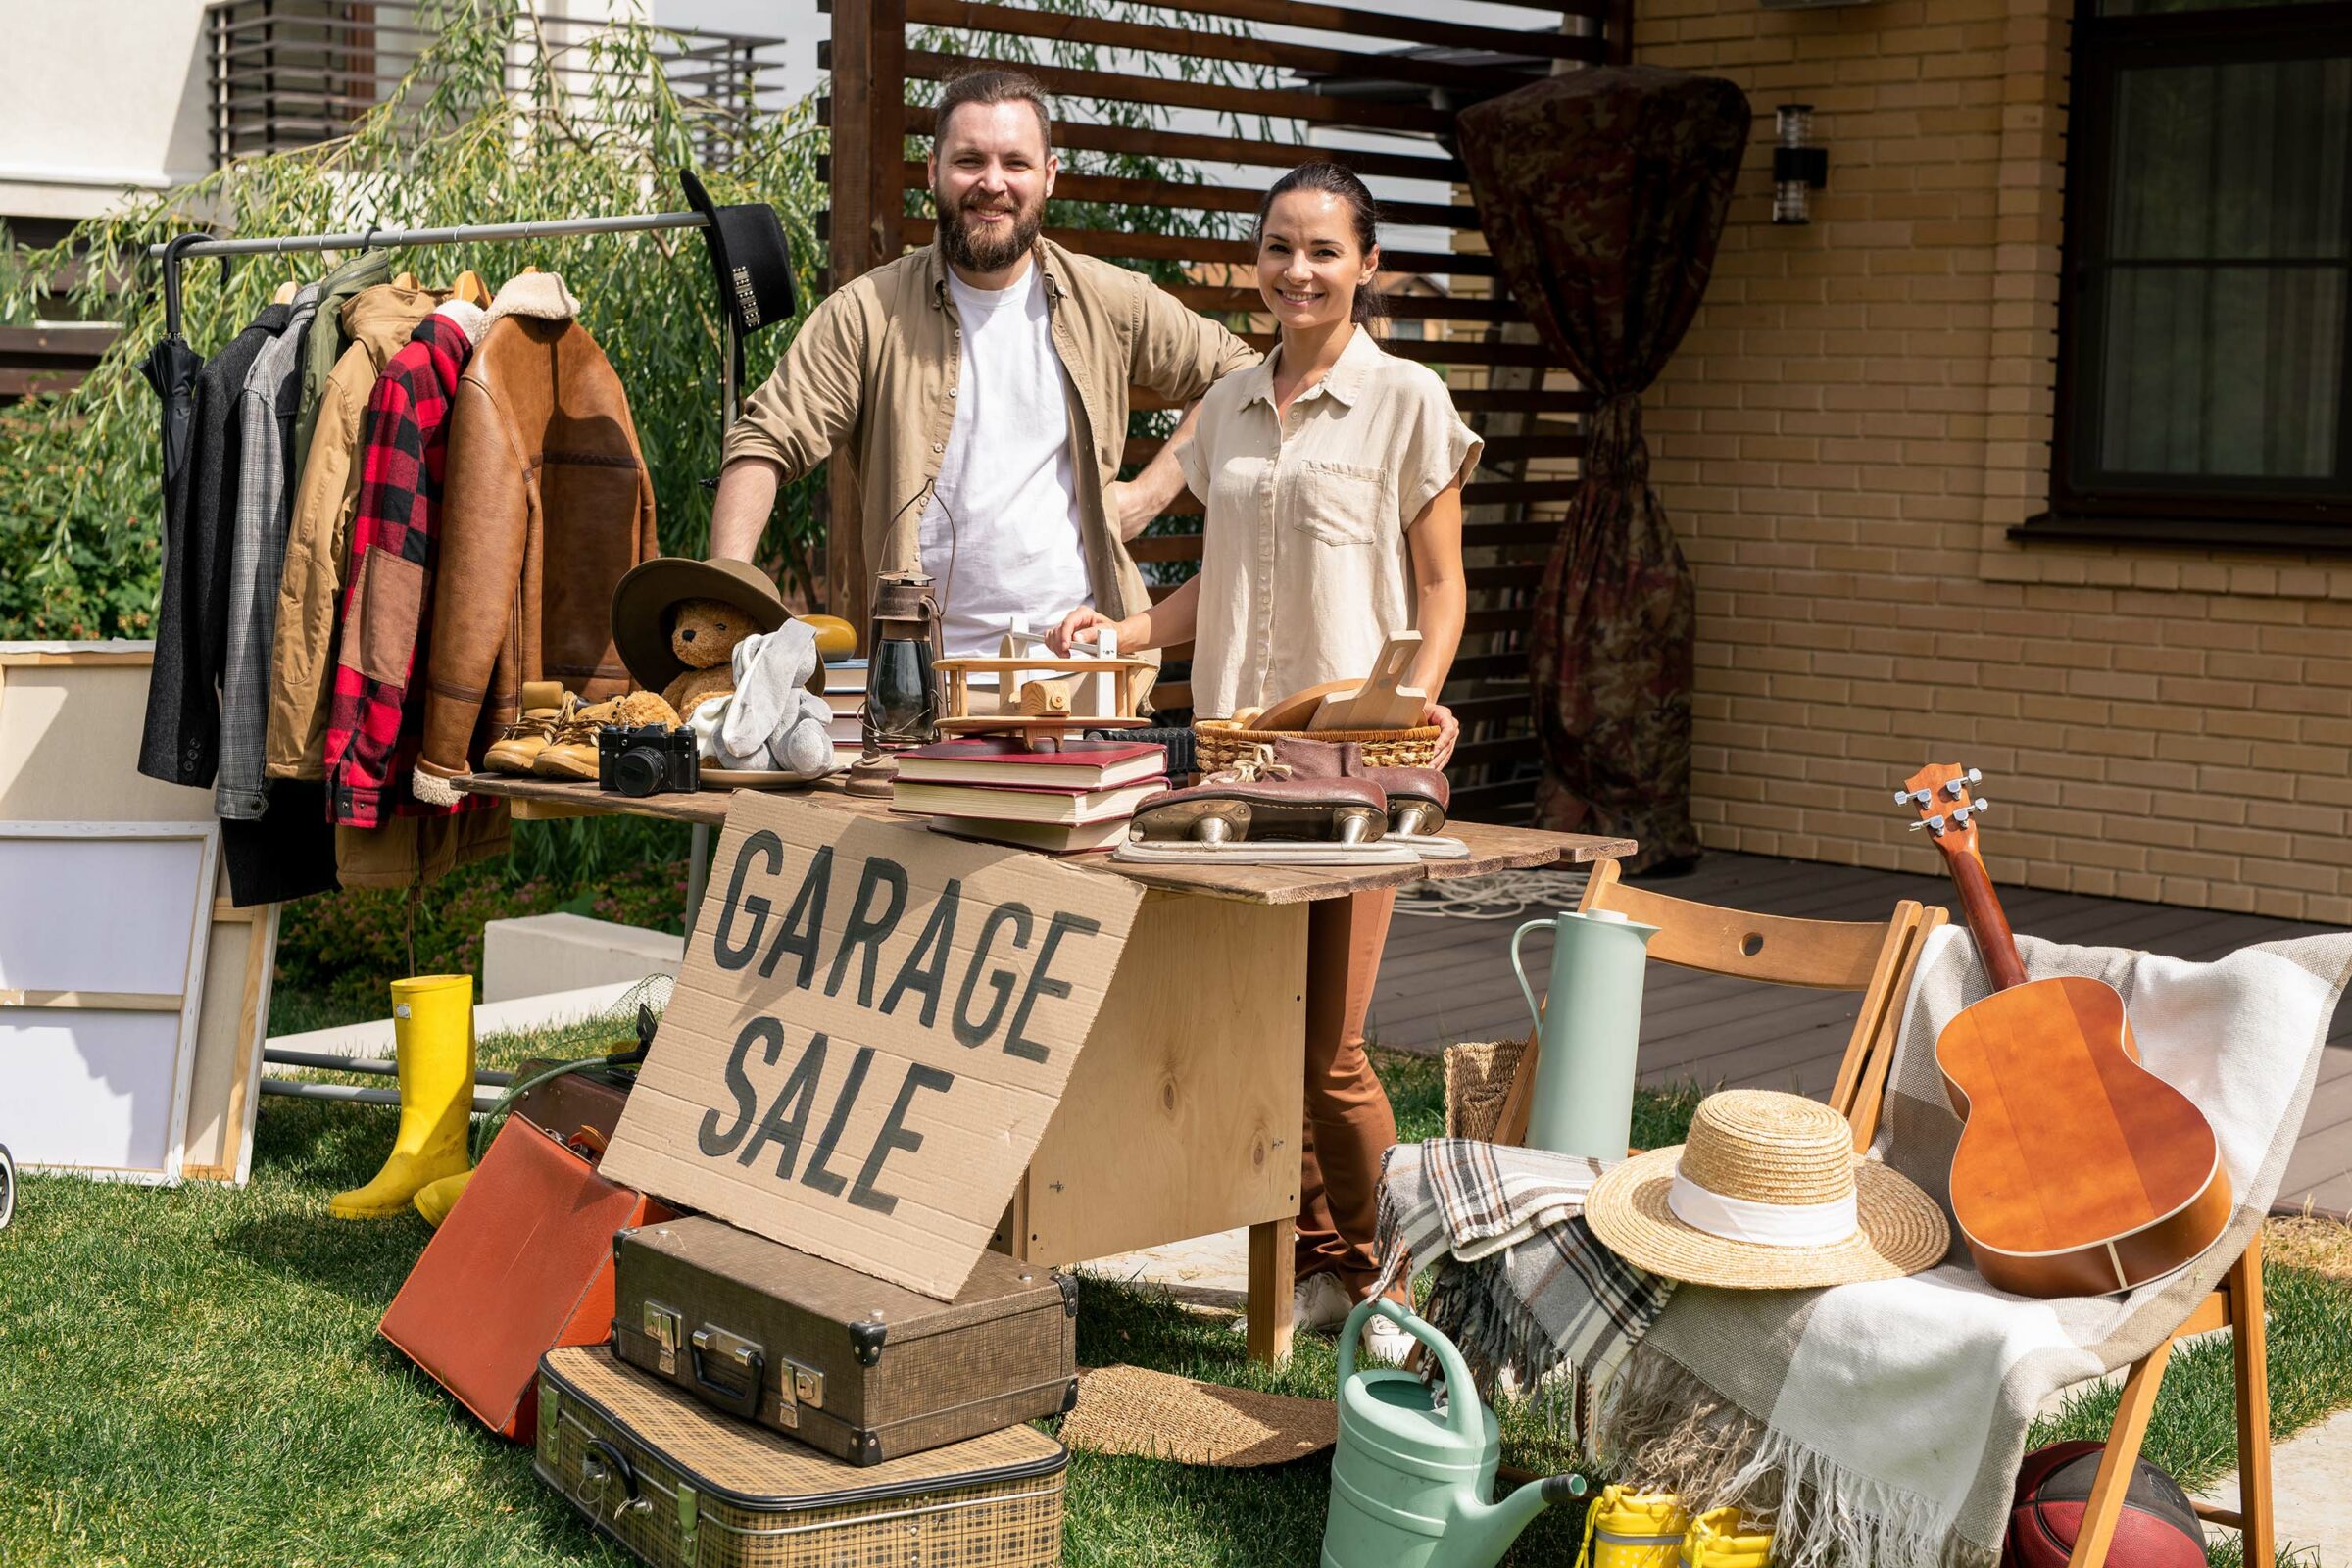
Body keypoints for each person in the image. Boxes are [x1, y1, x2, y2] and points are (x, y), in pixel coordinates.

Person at [1051, 163, 1478, 1360]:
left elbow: (1441, 591)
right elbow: (1221, 578)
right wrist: (1127, 633)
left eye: (1326, 250)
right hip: (1236, 764)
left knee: (1332, 1051)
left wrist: (1417, 705)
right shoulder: (1229, 404)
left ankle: (1401, 1281)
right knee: (1259, 1033)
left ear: (1367, 264)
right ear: (1258, 263)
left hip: (1356, 764)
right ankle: (1312, 1260)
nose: (1301, 270)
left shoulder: (1409, 402)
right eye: (1280, 248)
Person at [709, 67, 1254, 670]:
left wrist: (1148, 496)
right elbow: (763, 441)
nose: (992, 183)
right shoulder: (868, 313)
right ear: (933, 171)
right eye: (970, 160)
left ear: (1048, 177)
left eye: (1015, 163)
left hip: (1083, 675)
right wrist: (725, 599)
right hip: (922, 681)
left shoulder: (1107, 298)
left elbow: (1237, 375)